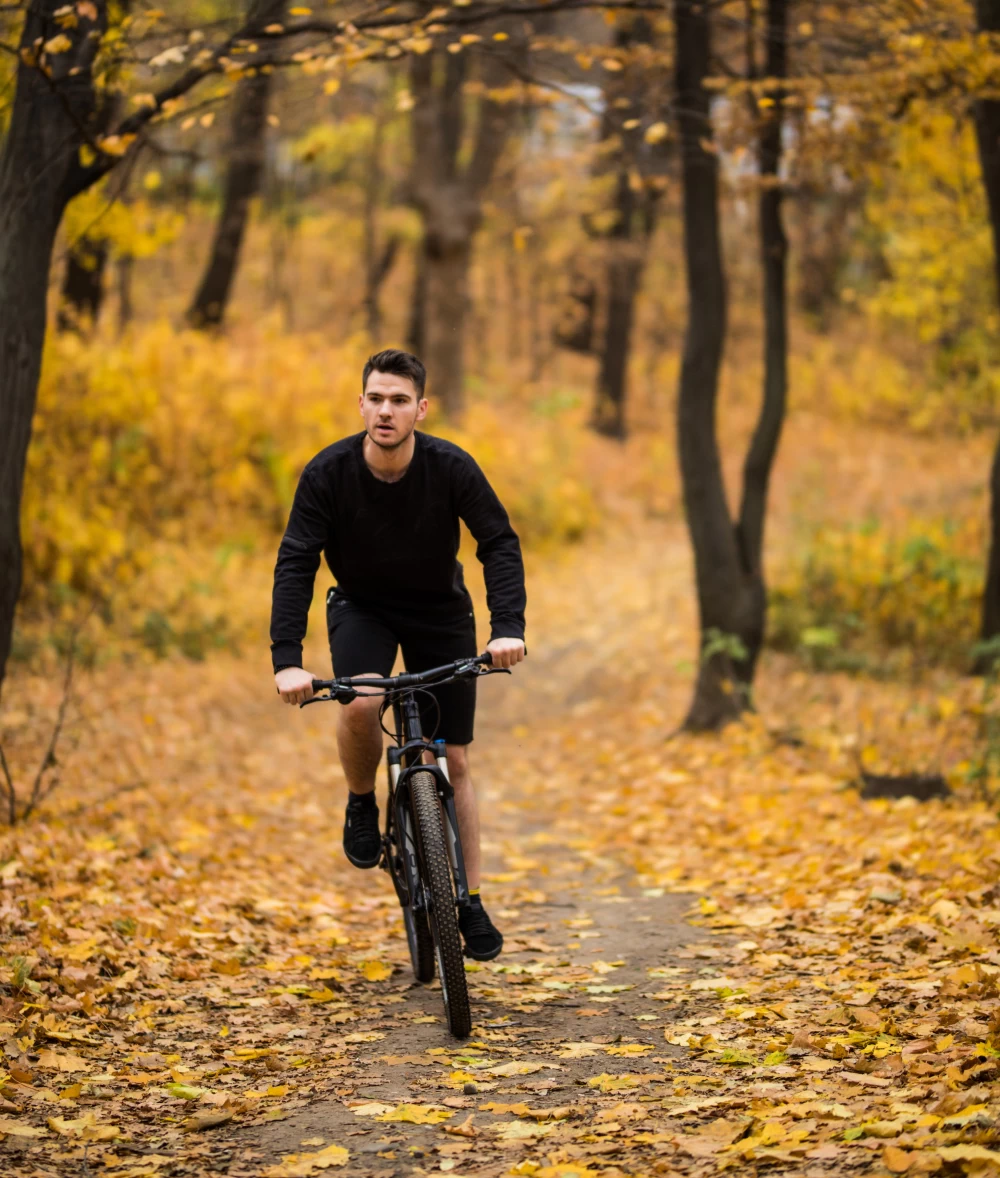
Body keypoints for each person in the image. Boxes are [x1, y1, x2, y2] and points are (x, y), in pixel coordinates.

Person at [270, 349, 526, 961]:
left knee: (455, 762)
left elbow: (498, 542)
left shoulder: (450, 467)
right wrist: (287, 658)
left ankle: (467, 899)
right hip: (362, 607)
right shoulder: (327, 473)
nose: (386, 411)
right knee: (361, 701)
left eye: (399, 400)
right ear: (361, 403)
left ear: (421, 409)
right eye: (376, 398)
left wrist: (507, 628)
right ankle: (362, 802)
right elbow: (296, 562)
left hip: (441, 611)